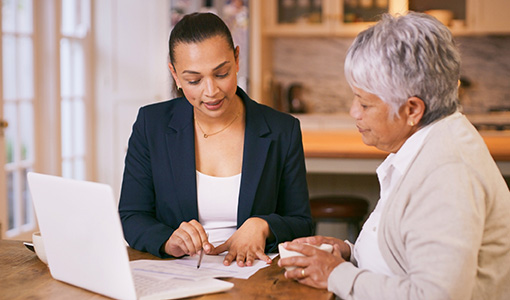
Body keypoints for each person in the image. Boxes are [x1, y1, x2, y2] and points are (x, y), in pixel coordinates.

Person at [278, 12, 510, 299]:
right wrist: (349, 254)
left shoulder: (448, 175)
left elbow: (435, 295)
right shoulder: (430, 143)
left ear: (412, 110)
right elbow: (406, 253)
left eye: (364, 103)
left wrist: (336, 274)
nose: (354, 112)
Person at [118, 12, 312, 267]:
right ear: (175, 75)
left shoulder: (282, 130)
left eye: (221, 74)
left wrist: (263, 225)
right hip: (177, 274)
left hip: (253, 275)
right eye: (194, 80)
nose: (211, 92)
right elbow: (132, 215)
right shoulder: (150, 125)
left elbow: (301, 222)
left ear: (237, 59)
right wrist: (168, 241)